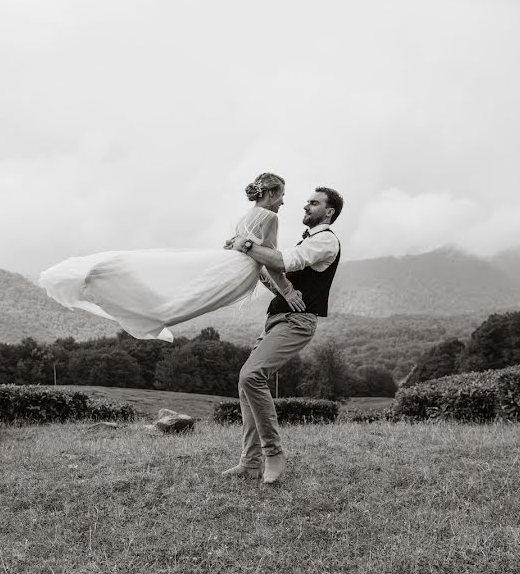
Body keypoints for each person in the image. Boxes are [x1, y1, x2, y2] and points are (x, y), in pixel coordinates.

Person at [39, 173, 304, 342]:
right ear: (270, 194)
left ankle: (121, 290)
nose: (282, 202)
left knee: (178, 299)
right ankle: (124, 295)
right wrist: (288, 291)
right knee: (176, 307)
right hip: (236, 273)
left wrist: (276, 291)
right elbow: (270, 260)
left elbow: (257, 261)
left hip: (234, 268)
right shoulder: (270, 217)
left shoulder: (245, 217)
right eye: (281, 196)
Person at [221, 186, 343, 484]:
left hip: (297, 322)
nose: (305, 206)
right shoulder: (309, 240)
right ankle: (250, 464)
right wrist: (252, 264)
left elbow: (285, 261)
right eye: (307, 202)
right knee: (245, 382)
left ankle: (273, 453)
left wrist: (247, 244)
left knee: (252, 376)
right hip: (277, 319)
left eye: (314, 203)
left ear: (329, 212)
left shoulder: (325, 240)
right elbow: (280, 283)